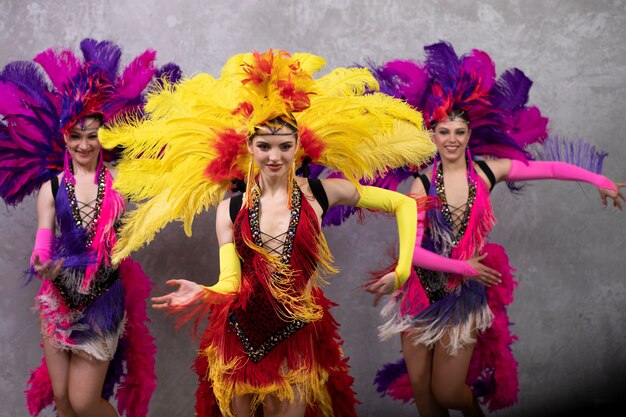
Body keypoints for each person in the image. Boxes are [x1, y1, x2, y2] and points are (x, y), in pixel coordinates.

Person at [98, 49, 436, 417]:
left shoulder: (322, 194)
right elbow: (231, 281)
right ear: (249, 148)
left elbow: (403, 204)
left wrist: (402, 271)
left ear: (297, 147)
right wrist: (205, 292)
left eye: (284, 146)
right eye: (264, 146)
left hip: (295, 335)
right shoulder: (231, 209)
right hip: (239, 337)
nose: (274, 156)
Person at [360, 42, 625, 417]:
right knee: (422, 389)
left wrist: (598, 178)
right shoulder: (420, 185)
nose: (451, 139)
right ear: (432, 135)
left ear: (469, 135)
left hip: (461, 295)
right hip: (418, 291)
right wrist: (465, 266)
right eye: (443, 131)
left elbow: (548, 170)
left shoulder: (487, 173)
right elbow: (413, 252)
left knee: (449, 392)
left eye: (459, 131)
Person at [0, 38, 180, 417]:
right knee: (64, 400)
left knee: (85, 401)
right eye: (76, 135)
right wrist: (41, 264)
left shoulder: (119, 179)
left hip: (102, 298)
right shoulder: (51, 188)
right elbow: (43, 241)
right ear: (64, 137)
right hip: (58, 299)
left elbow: (166, 174)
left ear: (104, 136)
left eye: (92, 135)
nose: (84, 144)